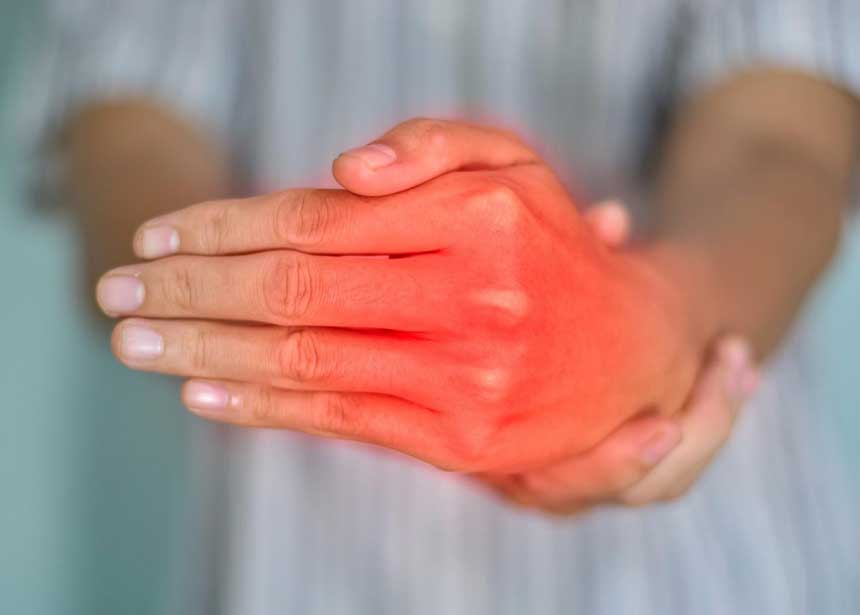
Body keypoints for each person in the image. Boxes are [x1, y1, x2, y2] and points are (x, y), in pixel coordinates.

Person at [21, 1, 860, 613]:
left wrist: (658, 320)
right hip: (296, 563)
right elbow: (131, 129)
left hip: (703, 567)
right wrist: (221, 284)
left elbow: (783, 140)